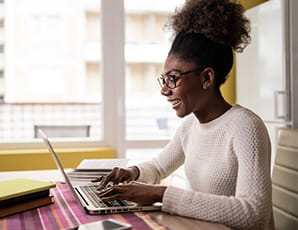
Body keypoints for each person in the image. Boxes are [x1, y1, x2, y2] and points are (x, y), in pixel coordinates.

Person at [94, 0, 274, 229]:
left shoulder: (246, 126)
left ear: (207, 78)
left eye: (174, 78)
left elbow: (253, 213)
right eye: (164, 79)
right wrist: (133, 172)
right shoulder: (190, 126)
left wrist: (159, 194)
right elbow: (159, 167)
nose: (164, 90)